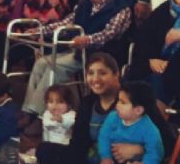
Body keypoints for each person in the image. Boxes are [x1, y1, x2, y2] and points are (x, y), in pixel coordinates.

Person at [22, 0, 132, 117]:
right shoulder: (85, 2)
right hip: (79, 51)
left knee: (53, 66)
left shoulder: (121, 8)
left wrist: (87, 40)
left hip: (101, 55)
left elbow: (109, 34)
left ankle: (37, 113)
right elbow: (67, 22)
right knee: (41, 63)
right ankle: (28, 110)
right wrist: (40, 30)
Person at [37, 53, 174, 164]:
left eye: (102, 73)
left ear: (116, 75)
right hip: (96, 159)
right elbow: (78, 146)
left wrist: (139, 149)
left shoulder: (136, 100)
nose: (95, 79)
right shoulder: (87, 103)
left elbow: (168, 143)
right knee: (44, 150)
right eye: (91, 73)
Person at [130, 0, 180, 102]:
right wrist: (150, 60)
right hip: (159, 65)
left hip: (175, 67)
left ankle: (160, 118)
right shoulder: (162, 12)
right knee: (144, 79)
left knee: (160, 81)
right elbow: (143, 40)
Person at [98, 81, 164, 164]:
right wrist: (106, 157)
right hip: (112, 159)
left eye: (123, 102)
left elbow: (155, 152)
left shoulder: (150, 129)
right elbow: (104, 136)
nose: (117, 104)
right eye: (118, 100)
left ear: (138, 110)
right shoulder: (112, 117)